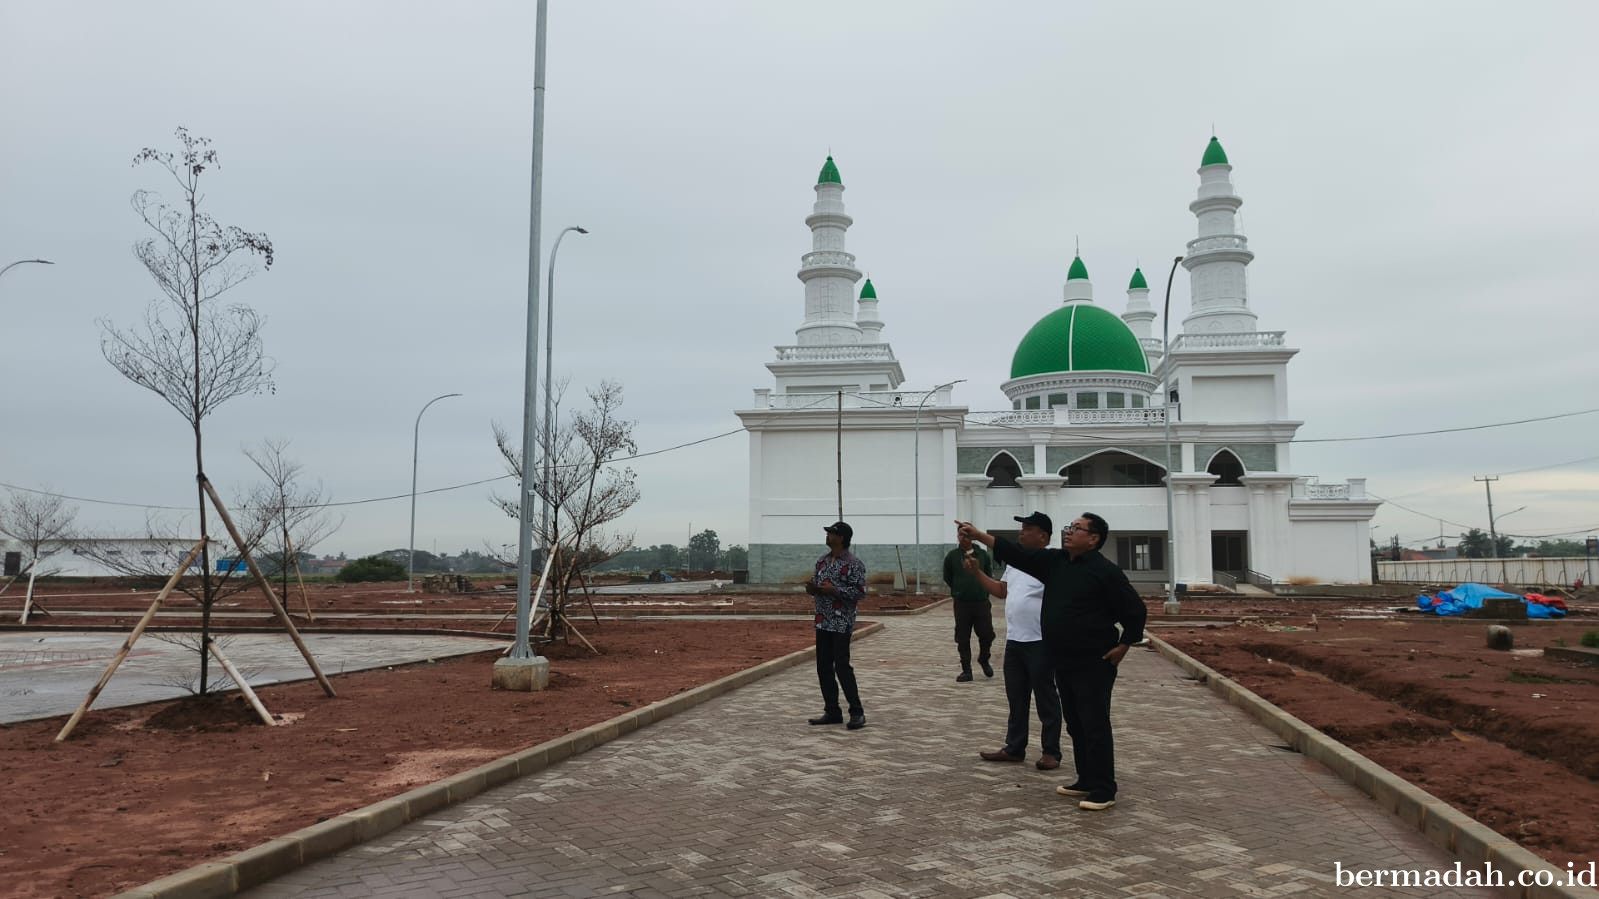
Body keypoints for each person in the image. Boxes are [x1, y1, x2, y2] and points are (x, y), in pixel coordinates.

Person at [955, 513, 1146, 811]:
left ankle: (1104, 789)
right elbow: (1015, 554)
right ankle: (1085, 779)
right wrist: (979, 536)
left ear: (1093, 539)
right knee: (1076, 723)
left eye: (1076, 529)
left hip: (1094, 660)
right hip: (1064, 658)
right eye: (1069, 528)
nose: (1068, 532)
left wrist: (1125, 643)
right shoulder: (1056, 563)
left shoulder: (1105, 572)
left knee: (1095, 723)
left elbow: (1135, 609)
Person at [963, 512, 1063, 770]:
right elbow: (1001, 591)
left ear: (1043, 535)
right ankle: (1015, 747)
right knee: (1016, 697)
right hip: (1016, 640)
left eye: (1027, 528)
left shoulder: (1052, 560)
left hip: (1041, 640)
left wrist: (978, 535)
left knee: (1046, 697)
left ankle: (1051, 752)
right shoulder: (1016, 563)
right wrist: (977, 573)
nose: (1021, 532)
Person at [806, 521, 867, 730]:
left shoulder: (854, 563)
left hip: (842, 622)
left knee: (842, 667)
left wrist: (834, 590)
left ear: (841, 538)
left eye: (831, 533)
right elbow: (819, 585)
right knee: (823, 667)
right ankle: (832, 711)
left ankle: (857, 712)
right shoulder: (822, 561)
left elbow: (859, 592)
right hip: (823, 621)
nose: (828, 536)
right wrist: (813, 589)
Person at [942, 528, 995, 682]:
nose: (963, 538)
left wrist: (982, 591)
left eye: (966, 535)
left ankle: (984, 659)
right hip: (962, 603)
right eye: (960, 535)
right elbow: (948, 577)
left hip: (981, 602)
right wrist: (959, 589)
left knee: (987, 634)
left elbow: (988, 575)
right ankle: (966, 670)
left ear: (972, 537)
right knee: (962, 637)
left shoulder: (983, 555)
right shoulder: (952, 556)